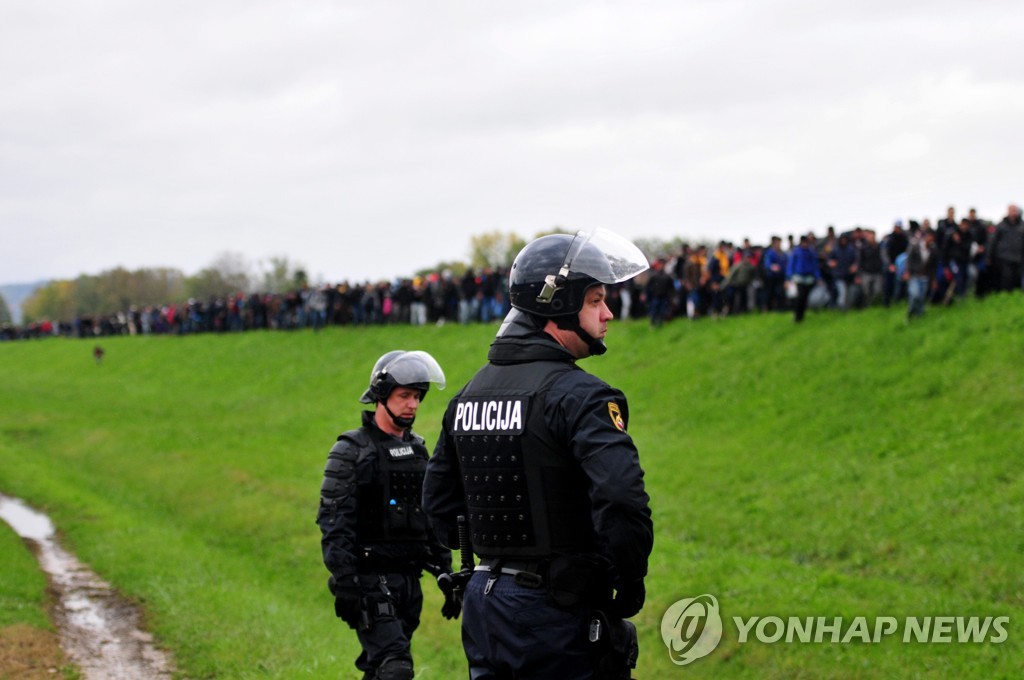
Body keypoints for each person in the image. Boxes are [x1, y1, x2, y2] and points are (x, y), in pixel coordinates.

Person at [423, 228, 654, 679]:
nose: (608, 313)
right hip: (556, 611)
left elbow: (439, 507)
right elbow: (622, 500)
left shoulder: (467, 396)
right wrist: (628, 579)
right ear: (558, 303)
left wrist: (504, 545)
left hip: (485, 605)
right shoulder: (581, 396)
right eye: (595, 300)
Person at [316, 350, 451, 680]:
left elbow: (430, 515)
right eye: (404, 395)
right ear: (380, 396)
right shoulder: (351, 450)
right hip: (371, 582)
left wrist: (446, 573)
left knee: (381, 669)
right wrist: (347, 584)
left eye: (417, 396)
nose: (413, 405)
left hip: (409, 584)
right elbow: (335, 522)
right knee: (396, 666)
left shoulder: (418, 449)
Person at [786, 233, 822, 323]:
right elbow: (791, 265)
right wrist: (788, 278)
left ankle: (801, 316)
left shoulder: (810, 252)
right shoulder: (796, 252)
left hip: (808, 278)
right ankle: (797, 316)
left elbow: (814, 266)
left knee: (805, 298)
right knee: (800, 297)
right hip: (799, 277)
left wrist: (818, 277)